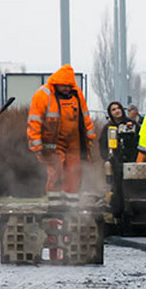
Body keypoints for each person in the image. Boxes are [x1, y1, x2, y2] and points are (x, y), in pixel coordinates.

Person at [28, 64, 96, 204]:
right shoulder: (43, 94)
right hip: (53, 142)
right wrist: (37, 144)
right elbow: (34, 121)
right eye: (64, 86)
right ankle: (55, 206)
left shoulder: (76, 93)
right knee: (56, 173)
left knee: (74, 173)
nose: (67, 89)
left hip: (74, 142)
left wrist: (90, 138)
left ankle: (72, 206)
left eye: (69, 86)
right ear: (56, 83)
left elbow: (85, 117)